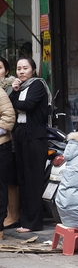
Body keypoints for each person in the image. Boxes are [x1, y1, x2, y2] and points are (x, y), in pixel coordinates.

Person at [8, 57, 50, 233]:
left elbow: (28, 105)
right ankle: (23, 219)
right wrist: (15, 90)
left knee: (33, 180)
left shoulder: (38, 85)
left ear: (33, 69)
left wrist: (14, 102)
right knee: (23, 178)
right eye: (18, 69)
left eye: (25, 68)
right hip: (21, 134)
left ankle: (33, 222)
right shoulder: (19, 88)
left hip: (35, 137)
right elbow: (13, 103)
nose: (21, 71)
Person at [0, 56, 19, 228]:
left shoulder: (10, 88)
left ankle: (11, 216)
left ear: (6, 70)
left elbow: (9, 116)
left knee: (8, 181)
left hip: (8, 142)